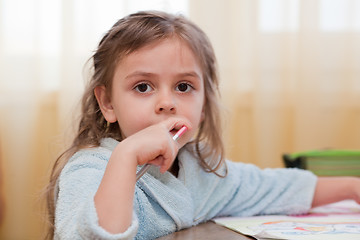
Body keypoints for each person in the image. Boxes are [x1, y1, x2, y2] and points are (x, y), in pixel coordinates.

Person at [45, 10, 360, 239]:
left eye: (183, 87)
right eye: (143, 87)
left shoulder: (202, 170)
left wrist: (351, 187)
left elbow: (272, 188)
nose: (167, 102)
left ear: (205, 104)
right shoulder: (89, 169)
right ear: (108, 103)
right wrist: (126, 156)